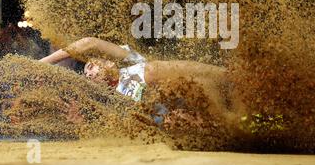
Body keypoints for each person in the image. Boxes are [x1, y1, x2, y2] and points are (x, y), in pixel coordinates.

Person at [39, 37, 229, 126]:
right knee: (170, 119)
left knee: (151, 69)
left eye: (90, 67)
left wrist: (43, 63)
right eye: (86, 75)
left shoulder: (129, 61)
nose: (88, 74)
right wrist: (82, 124)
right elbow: (117, 130)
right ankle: (228, 123)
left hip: (202, 85)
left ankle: (228, 76)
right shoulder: (115, 100)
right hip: (182, 114)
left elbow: (89, 42)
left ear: (108, 61)